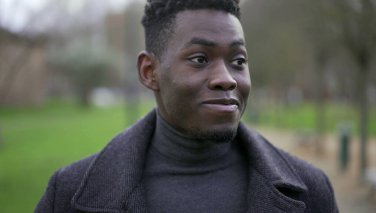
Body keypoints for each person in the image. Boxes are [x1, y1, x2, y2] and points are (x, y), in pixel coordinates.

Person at [35, 0, 339, 212]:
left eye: (238, 61)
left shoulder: (310, 191)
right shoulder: (69, 194)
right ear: (149, 72)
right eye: (200, 59)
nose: (226, 79)